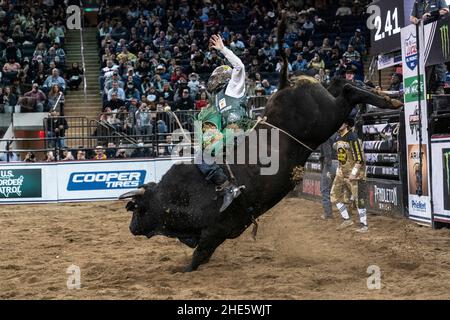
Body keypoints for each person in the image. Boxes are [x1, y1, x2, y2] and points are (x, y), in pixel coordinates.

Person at [196, 34, 247, 213]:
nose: (213, 80)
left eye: (216, 76)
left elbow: (239, 66)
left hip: (236, 130)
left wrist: (222, 49)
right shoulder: (217, 99)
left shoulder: (233, 87)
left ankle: (228, 188)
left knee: (202, 158)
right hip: (228, 132)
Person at [331, 118, 368, 233]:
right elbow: (341, 157)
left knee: (359, 199)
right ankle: (347, 219)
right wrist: (339, 169)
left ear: (346, 124)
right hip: (342, 172)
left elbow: (360, 159)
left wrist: (353, 173)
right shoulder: (338, 138)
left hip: (356, 174)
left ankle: (364, 224)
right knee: (334, 195)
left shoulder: (353, 137)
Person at [410, 1, 449, 93]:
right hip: (424, 34)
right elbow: (411, 18)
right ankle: (427, 86)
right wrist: (418, 20)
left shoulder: (438, 0)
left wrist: (431, 14)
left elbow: (446, 10)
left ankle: (440, 85)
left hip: (437, 32)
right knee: (427, 62)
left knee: (439, 60)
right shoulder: (418, 2)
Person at [318, 132, 338, 219]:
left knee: (325, 189)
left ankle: (328, 214)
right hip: (341, 162)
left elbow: (327, 150)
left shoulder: (326, 134)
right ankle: (348, 210)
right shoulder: (339, 134)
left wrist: (327, 163)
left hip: (331, 163)